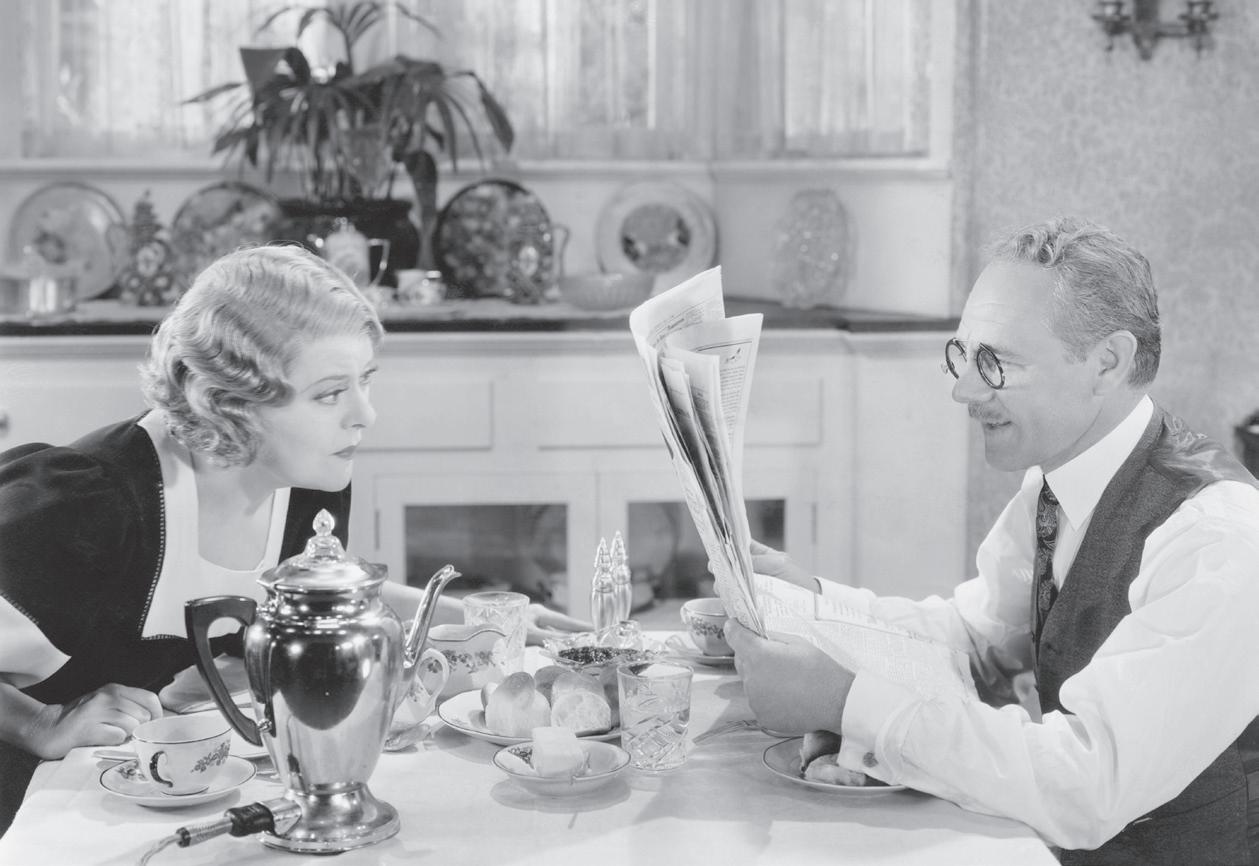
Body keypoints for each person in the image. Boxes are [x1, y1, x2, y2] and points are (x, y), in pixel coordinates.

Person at [725, 216, 1259, 865]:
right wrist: (810, 598)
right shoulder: (1056, 481)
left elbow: (1089, 784)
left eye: (996, 363)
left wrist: (846, 702)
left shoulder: (1219, 540)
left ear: (1107, 363)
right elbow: (976, 643)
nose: (963, 390)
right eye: (962, 355)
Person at [0, 245, 588, 833]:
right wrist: (39, 724)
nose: (365, 415)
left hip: (111, 794)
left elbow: (315, 597)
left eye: (365, 382)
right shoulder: (90, 505)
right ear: (229, 402)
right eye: (330, 394)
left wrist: (498, 619)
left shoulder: (304, 485)